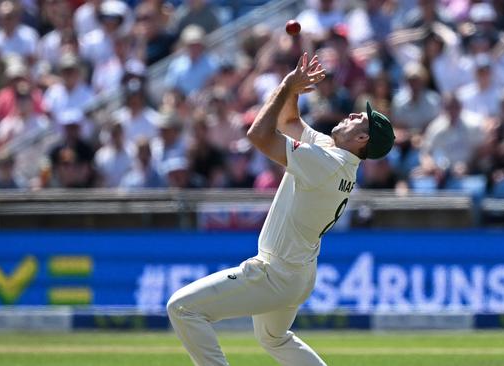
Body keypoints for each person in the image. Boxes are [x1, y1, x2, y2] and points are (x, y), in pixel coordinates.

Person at [167, 53, 394, 366]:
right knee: (274, 338)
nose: (353, 114)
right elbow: (289, 122)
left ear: (362, 138)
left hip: (275, 272)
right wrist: (293, 90)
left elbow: (259, 135)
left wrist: (287, 83)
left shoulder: (328, 162)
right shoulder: (333, 153)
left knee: (182, 308)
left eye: (360, 119)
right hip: (298, 273)